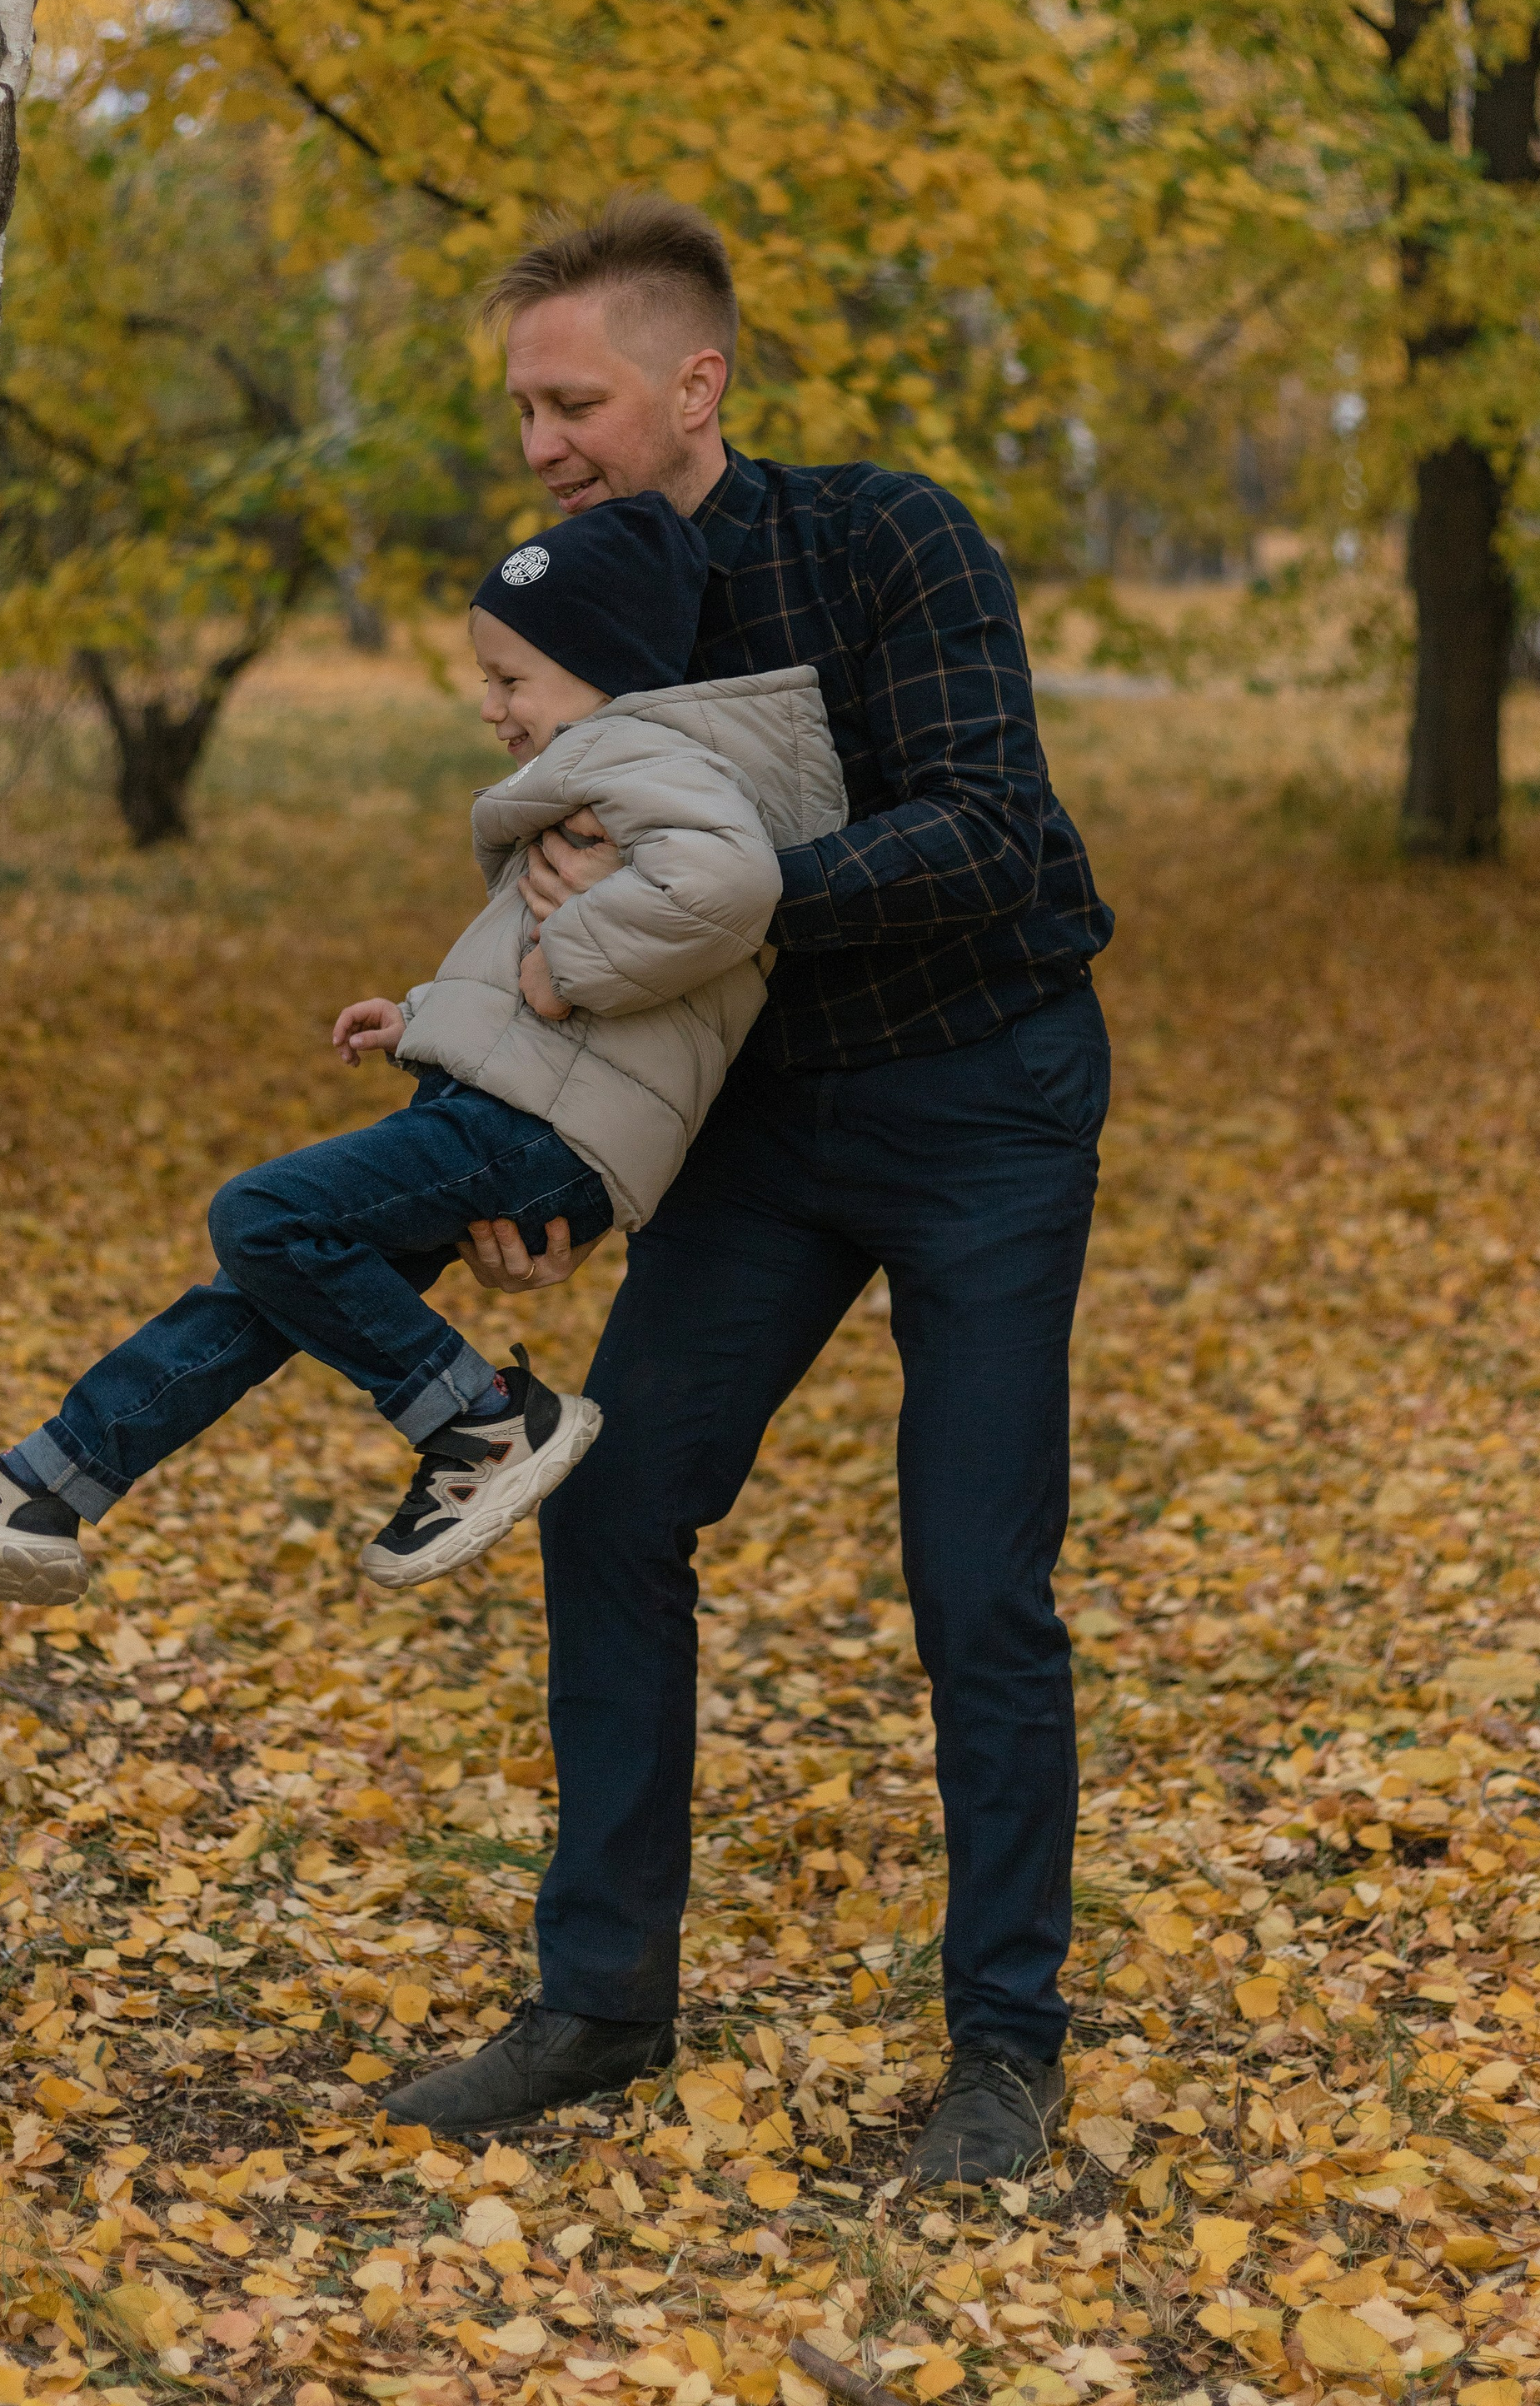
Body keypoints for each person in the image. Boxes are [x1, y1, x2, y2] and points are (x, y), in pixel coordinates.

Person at [377, 194, 1114, 2194]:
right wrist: (542, 1170)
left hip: (983, 1100)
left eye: (573, 399)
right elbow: (560, 941)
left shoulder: (888, 536)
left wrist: (731, 891)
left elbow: (988, 827)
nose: (539, 441)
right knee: (608, 1501)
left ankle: (1001, 2051)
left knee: (974, 1578)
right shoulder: (571, 617)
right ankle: (601, 2001)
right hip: (756, 1132)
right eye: (522, 408)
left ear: (692, 383)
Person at [0, 491, 845, 1604]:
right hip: (512, 1109)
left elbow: (730, 886)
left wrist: (567, 964)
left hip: (539, 1129)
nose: (491, 706)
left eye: (513, 678)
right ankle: (48, 1486)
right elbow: (550, 946)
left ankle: (482, 1423)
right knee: (258, 1288)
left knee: (264, 1215)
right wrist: (424, 1017)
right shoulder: (628, 762)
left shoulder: (649, 757)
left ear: (609, 667)